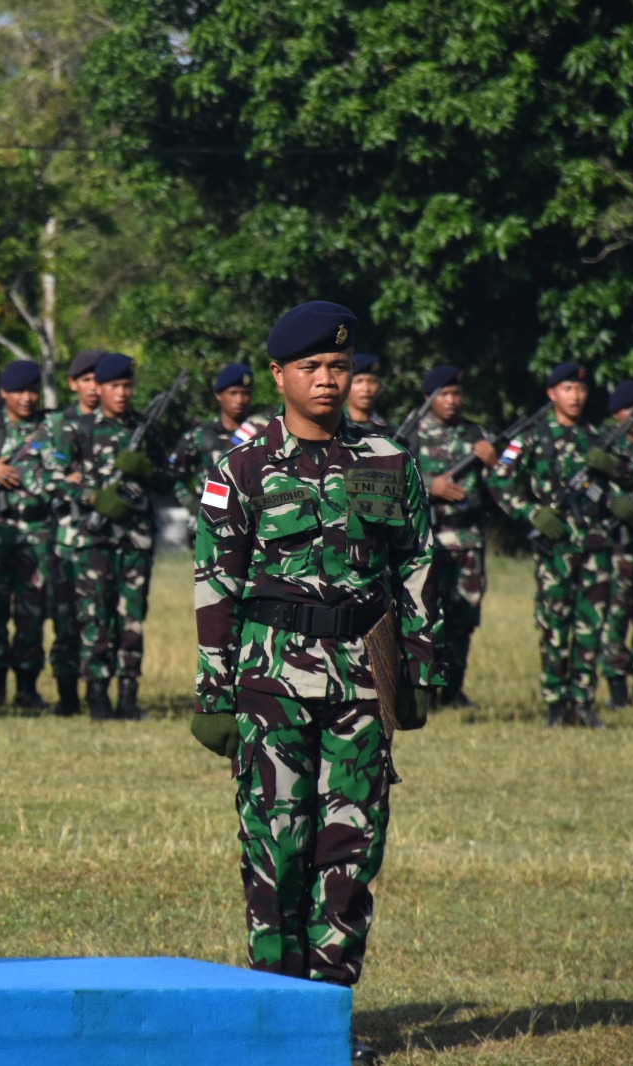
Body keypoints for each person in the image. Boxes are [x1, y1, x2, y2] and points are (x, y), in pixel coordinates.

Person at [190, 302, 436, 1066]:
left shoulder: (390, 458)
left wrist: (418, 671)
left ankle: (328, 1016)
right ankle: (275, 1007)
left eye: (339, 367)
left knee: (351, 845)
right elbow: (214, 582)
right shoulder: (243, 463)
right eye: (311, 369)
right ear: (279, 376)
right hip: (270, 677)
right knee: (278, 841)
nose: (328, 380)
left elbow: (416, 565)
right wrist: (213, 692)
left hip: (365, 678)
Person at [489, 363, 633, 727]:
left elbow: (632, 480)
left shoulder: (598, 437)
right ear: (552, 393)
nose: (576, 396)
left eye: (581, 390)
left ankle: (584, 703)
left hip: (595, 547)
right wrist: (532, 513)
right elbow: (499, 482)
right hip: (555, 551)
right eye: (568, 389)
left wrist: (614, 468)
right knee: (555, 627)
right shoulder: (532, 437)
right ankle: (557, 704)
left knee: (592, 627)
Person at [44, 353, 172, 719]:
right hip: (93, 539)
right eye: (114, 386)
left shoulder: (147, 431)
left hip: (136, 538)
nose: (122, 393)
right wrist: (93, 497)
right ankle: (97, 697)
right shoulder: (78, 429)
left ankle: (129, 698)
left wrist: (146, 469)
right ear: (98, 388)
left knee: (131, 619)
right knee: (94, 619)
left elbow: (168, 478)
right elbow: (51, 477)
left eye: (127, 386)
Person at [0, 359, 61, 711]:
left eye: (32, 391)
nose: (27, 398)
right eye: (19, 391)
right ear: (3, 392)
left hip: (37, 530)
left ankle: (28, 689)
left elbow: (65, 466)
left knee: (32, 613)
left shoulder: (50, 429)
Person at [404, 365, 498, 708]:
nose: (451, 401)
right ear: (427, 398)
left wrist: (495, 463)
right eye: (444, 394)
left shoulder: (476, 434)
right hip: (426, 541)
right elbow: (395, 484)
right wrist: (432, 487)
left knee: (463, 618)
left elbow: (503, 490)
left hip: (468, 541)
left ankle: (454, 690)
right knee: (427, 617)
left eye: (456, 394)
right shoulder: (409, 436)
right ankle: (424, 691)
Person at [47, 349, 104, 715]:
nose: (95, 388)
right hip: (68, 539)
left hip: (106, 539)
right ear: (73, 384)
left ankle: (100, 694)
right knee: (67, 618)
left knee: (102, 617)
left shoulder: (118, 424)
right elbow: (50, 474)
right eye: (87, 380)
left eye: (101, 380)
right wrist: (82, 487)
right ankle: (67, 697)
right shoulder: (59, 424)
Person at [596, 380, 633, 708]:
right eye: (631, 409)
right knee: (613, 616)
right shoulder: (604, 448)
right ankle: (616, 690)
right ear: (617, 413)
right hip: (612, 547)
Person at [170, 363, 255, 530]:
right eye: (233, 393)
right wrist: (193, 504)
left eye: (245, 393)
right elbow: (174, 477)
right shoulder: (199, 436)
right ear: (219, 395)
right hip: (210, 526)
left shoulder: (260, 433)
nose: (239, 400)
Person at [344, 352, 392, 431]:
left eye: (372, 381)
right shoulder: (333, 426)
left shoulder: (389, 430)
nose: (366, 389)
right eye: (358, 381)